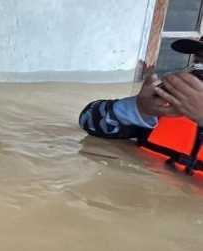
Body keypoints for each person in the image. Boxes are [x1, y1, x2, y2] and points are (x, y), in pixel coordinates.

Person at [79, 37, 203, 174]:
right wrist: (138, 109)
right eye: (198, 63)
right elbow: (87, 120)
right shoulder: (165, 105)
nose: (198, 73)